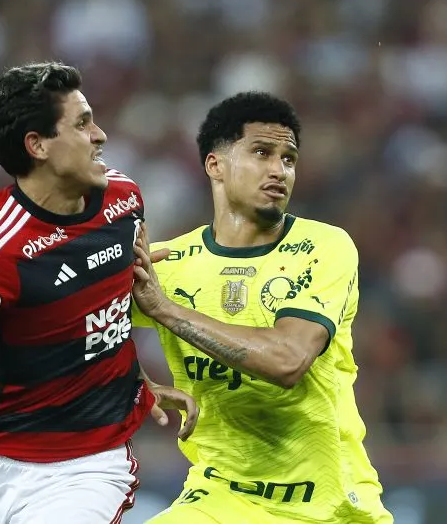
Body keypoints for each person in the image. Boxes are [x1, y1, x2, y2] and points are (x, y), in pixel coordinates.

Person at [0, 62, 198, 524]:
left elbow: (110, 303)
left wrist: (135, 381)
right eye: (82, 123)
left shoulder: (125, 199)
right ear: (37, 146)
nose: (101, 135)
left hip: (86, 467)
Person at [130, 92, 393, 523]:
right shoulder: (168, 265)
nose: (279, 170)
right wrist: (133, 382)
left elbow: (288, 360)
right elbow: (77, 322)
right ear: (215, 164)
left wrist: (165, 310)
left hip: (331, 508)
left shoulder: (323, 248)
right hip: (222, 496)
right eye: (261, 153)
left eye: (289, 159)